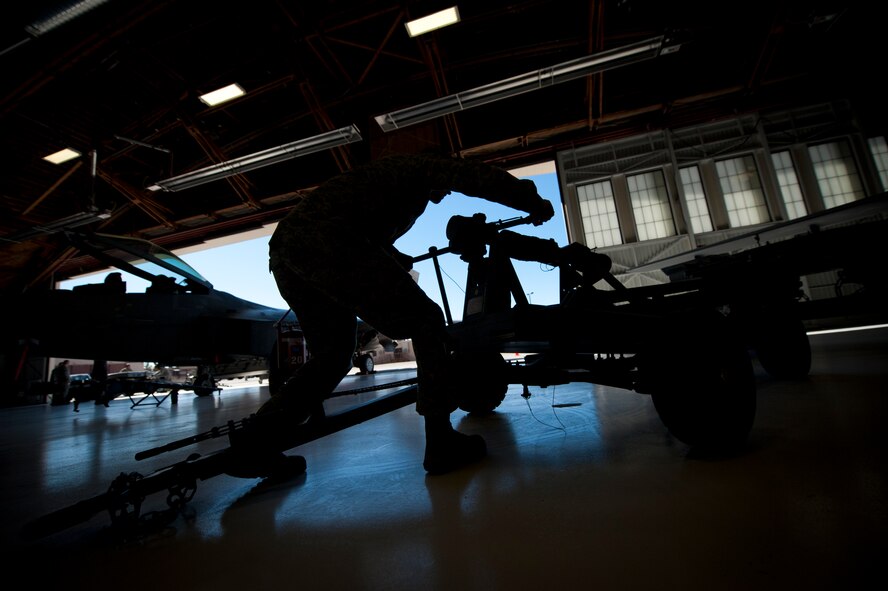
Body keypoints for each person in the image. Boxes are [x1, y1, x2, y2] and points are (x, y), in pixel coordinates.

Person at [256, 152, 556, 475]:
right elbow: (475, 176)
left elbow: (364, 227)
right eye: (446, 188)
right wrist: (530, 200)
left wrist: (395, 256)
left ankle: (253, 445)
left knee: (333, 356)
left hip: (288, 250)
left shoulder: (390, 181)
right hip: (325, 241)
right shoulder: (420, 164)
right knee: (425, 318)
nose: (445, 194)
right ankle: (441, 441)